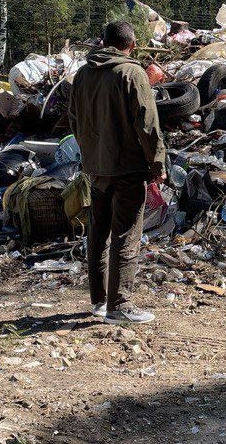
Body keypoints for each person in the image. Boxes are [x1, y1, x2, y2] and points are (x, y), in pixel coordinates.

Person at [68, 20, 166, 324]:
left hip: (96, 168)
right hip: (127, 167)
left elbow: (73, 118)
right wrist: (158, 164)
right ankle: (119, 305)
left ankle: (99, 301)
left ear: (102, 41)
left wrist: (89, 155)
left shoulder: (84, 73)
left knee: (98, 233)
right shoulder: (131, 72)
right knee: (126, 234)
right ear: (132, 44)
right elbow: (147, 124)